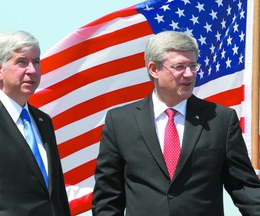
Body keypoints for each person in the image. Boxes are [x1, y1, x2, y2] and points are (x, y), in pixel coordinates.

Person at [92, 31, 260, 216]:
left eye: (193, 65)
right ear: (154, 69)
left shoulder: (220, 119)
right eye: (179, 66)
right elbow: (107, 199)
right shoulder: (120, 122)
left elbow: (245, 189)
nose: (189, 74)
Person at [0, 30, 71, 216]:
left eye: (36, 61)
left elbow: (56, 195)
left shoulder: (43, 121)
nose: (32, 70)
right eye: (21, 62)